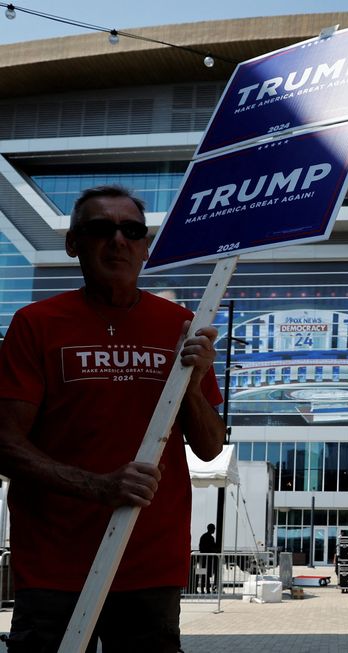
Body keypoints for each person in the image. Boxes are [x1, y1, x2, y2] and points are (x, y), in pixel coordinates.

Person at [0, 185, 225, 652]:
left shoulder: (181, 325)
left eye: (131, 230)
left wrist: (193, 379)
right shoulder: (36, 323)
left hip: (148, 561)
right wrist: (99, 486)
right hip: (53, 564)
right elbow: (4, 442)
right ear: (73, 244)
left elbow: (209, 446)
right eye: (100, 228)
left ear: (145, 247)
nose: (117, 240)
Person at [197, 523, 219, 594]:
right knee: (207, 574)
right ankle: (207, 589)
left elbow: (200, 547)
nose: (214, 530)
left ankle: (203, 589)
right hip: (208, 559)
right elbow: (213, 548)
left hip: (203, 558)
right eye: (214, 529)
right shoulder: (211, 538)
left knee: (203, 574)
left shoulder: (203, 536)